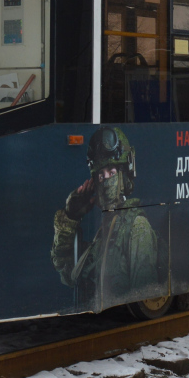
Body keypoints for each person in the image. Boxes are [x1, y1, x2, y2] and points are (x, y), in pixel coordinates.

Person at [51, 127, 159, 305]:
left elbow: (142, 293)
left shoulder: (137, 227)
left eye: (112, 172)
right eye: (100, 176)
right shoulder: (103, 234)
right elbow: (66, 272)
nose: (106, 179)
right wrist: (69, 217)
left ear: (124, 174)